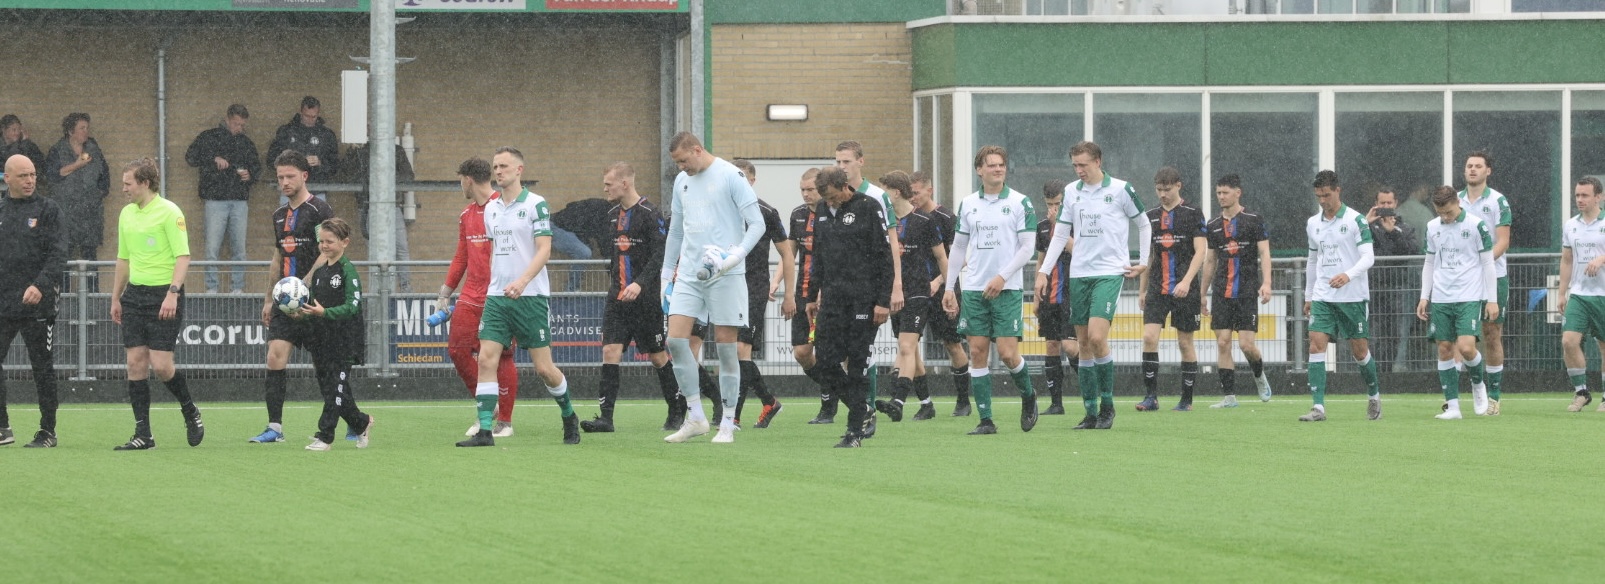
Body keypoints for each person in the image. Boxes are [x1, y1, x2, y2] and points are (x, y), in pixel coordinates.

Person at [457, 147, 580, 447]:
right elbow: (493, 253)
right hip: (497, 298)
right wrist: (491, 286)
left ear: (519, 170)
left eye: (504, 166)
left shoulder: (536, 205)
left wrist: (523, 282)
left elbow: (544, 250)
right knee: (486, 359)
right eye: (496, 167)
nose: (498, 171)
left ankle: (568, 414)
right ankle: (486, 431)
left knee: (544, 369)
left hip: (530, 297)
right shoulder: (492, 209)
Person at [659, 132, 766, 444]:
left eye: (683, 160)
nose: (681, 167)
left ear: (697, 149)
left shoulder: (731, 176)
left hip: (725, 273)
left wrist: (734, 257)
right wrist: (666, 273)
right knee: (675, 341)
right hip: (689, 274)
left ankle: (728, 423)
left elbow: (757, 224)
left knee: (726, 348)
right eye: (677, 163)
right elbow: (676, 230)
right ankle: (695, 417)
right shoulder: (682, 182)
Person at [1037, 141, 1150, 430]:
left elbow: (1144, 223)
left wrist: (1143, 261)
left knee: (1098, 338)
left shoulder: (1121, 189)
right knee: (1083, 343)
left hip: (1109, 273)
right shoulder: (1071, 192)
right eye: (1075, 165)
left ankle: (1107, 406)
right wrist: (1044, 271)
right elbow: (1060, 234)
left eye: (1083, 164)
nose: (1079, 170)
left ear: (1098, 161)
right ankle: (1090, 411)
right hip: (1079, 274)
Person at [943, 145, 1040, 436]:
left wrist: (1002, 277)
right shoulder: (968, 203)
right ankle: (986, 420)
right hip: (974, 289)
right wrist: (950, 287)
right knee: (977, 351)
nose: (998, 169)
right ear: (979, 170)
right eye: (991, 165)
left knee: (1009, 354)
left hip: (1007, 289)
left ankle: (1028, 395)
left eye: (1001, 165)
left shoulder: (1021, 202)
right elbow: (959, 247)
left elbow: (1027, 248)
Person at [580, 161, 684, 434]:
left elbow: (661, 254)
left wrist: (639, 284)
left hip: (646, 301)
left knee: (657, 357)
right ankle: (606, 418)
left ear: (624, 184)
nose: (605, 189)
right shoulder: (611, 215)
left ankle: (677, 409)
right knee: (610, 351)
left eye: (609, 184)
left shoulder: (650, 214)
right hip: (617, 299)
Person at [109, 158, 203, 451]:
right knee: (135, 363)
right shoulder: (126, 214)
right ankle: (143, 435)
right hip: (134, 296)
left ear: (145, 183)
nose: (124, 189)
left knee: (162, 366)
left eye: (128, 183)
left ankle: (189, 409)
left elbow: (183, 256)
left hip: (164, 295)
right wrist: (116, 296)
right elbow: (123, 258)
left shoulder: (170, 212)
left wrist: (173, 293)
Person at [247, 150, 337, 444]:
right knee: (275, 357)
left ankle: (353, 419)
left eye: (290, 176)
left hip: (314, 301)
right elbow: (277, 258)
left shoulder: (320, 210)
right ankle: (274, 427)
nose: (284, 182)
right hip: (284, 303)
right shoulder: (278, 216)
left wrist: (305, 284)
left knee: (324, 367)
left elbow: (328, 251)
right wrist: (268, 299)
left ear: (304, 176)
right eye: (280, 177)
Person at [808, 167, 894, 447]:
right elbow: (818, 255)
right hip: (832, 299)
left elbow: (885, 257)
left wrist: (882, 301)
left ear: (845, 186)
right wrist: (811, 296)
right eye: (826, 199)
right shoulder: (823, 209)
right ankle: (863, 408)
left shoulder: (868, 207)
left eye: (834, 197)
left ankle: (854, 432)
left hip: (863, 299)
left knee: (856, 365)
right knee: (824, 362)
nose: (830, 203)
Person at [441, 157, 519, 439]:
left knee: (502, 356)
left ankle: (504, 422)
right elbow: (461, 256)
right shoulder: (466, 215)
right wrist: (445, 292)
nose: (460, 186)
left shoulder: (505, 208)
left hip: (500, 295)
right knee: (457, 350)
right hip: (471, 295)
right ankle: (488, 404)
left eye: (460, 180)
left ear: (468, 179)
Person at [1299, 170, 1382, 422]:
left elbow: (1368, 257)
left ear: (1338, 190)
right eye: (1318, 196)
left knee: (1359, 352)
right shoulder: (1313, 223)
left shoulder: (1357, 221)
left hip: (1352, 297)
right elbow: (1313, 260)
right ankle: (1318, 407)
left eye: (1326, 195)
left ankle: (1373, 395)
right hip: (1323, 296)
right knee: (1316, 345)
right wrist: (1309, 295)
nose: (1322, 201)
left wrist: (1348, 275)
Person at [0, 154, 65, 448]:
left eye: (33, 175)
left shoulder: (48, 209)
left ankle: (47, 431)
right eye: (23, 175)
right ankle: (3, 428)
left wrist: (40, 285)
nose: (29, 180)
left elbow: (58, 254)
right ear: (7, 179)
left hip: (38, 304)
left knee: (42, 367)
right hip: (4, 303)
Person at [1417, 186, 1498, 420]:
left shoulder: (1476, 225)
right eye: (1440, 213)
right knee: (1444, 348)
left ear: (1457, 203)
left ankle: (1478, 384)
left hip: (1469, 296)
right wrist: (1424, 296)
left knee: (1466, 348)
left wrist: (1492, 299)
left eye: (1449, 212)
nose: (1445, 217)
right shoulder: (1432, 227)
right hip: (1441, 297)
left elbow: (1488, 263)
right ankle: (1453, 407)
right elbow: (1429, 263)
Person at [875, 170, 948, 423]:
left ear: (896, 192)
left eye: (883, 191)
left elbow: (941, 257)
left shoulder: (924, 221)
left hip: (918, 292)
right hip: (895, 294)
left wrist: (949, 289)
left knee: (906, 347)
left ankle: (897, 401)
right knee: (911, 351)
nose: (880, 196)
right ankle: (926, 404)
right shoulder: (885, 222)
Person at [834, 141, 901, 412]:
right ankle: (859, 405)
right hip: (841, 287)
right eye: (838, 162)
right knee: (841, 353)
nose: (842, 167)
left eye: (847, 161)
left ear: (861, 162)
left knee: (862, 347)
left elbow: (892, 242)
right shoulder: (834, 196)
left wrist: (896, 284)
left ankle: (867, 407)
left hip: (869, 287)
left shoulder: (877, 196)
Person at [297, 218, 375, 450]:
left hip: (344, 342)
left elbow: (352, 307)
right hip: (322, 341)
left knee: (335, 390)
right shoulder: (320, 272)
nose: (324, 246)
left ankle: (325, 436)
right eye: (321, 241)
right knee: (332, 390)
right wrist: (302, 314)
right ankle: (361, 422)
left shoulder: (348, 271)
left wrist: (325, 312)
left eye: (329, 241)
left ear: (344, 242)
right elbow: (315, 307)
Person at [727, 159, 793, 429]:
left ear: (752, 181)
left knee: (740, 349)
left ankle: (733, 417)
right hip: (726, 287)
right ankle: (768, 401)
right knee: (731, 352)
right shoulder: (722, 208)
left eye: (743, 177)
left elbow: (787, 253)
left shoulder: (766, 212)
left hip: (753, 288)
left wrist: (789, 295)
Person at [1200, 174, 1274, 409]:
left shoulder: (1253, 220)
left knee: (1246, 345)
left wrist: (1267, 283)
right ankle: (1229, 397)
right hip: (1222, 292)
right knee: (1223, 342)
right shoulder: (1213, 225)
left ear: (1237, 193)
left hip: (1246, 291)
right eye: (1218, 193)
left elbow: (1264, 253)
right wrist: (1202, 294)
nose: (1221, 197)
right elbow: (1210, 260)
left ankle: (1259, 375)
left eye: (1225, 192)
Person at [1137, 166, 1207, 412]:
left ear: (1178, 186)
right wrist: (1142, 290)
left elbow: (1201, 251)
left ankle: (1186, 400)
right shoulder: (1150, 216)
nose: (1163, 195)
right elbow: (1149, 256)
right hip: (1158, 288)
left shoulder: (1192, 213)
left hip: (1185, 289)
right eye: (1159, 190)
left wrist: (1186, 281)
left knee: (1185, 343)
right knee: (1149, 337)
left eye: (1167, 189)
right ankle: (1151, 397)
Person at [910, 171, 973, 416]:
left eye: (916, 192)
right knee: (910, 344)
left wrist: (939, 281)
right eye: (909, 193)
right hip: (916, 290)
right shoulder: (910, 218)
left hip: (945, 290)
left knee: (952, 343)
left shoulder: (947, 218)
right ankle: (925, 404)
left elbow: (962, 258)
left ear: (930, 190)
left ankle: (963, 401)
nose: (912, 198)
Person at [185, 104, 260, 294]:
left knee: (239, 248)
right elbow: (190, 157)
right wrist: (213, 158)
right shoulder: (209, 137)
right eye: (236, 124)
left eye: (242, 125)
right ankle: (212, 288)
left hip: (239, 200)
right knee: (212, 248)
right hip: (215, 199)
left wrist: (250, 175)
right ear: (227, 119)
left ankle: (237, 287)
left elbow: (257, 168)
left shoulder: (246, 143)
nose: (239, 128)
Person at [1458, 151, 1511, 414]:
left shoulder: (1498, 201)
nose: (1473, 169)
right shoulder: (1455, 200)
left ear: (1488, 171)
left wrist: (1484, 263)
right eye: (1469, 166)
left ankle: (1495, 395)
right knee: (1460, 335)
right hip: (1463, 279)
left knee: (1491, 333)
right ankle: (1456, 396)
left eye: (1478, 166)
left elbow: (1503, 241)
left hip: (1493, 276)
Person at [789, 168, 837, 424]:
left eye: (810, 189)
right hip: (803, 292)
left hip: (829, 293)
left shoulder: (833, 214)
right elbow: (789, 255)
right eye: (802, 190)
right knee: (802, 353)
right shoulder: (797, 215)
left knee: (829, 353)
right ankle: (837, 389)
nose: (806, 194)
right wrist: (780, 285)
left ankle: (829, 405)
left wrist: (824, 291)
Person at [44, 112, 109, 293]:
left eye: (87, 128)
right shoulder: (58, 150)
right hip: (66, 212)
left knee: (90, 256)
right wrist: (77, 165)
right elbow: (51, 176)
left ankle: (93, 296)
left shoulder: (94, 149)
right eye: (82, 128)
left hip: (90, 212)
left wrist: (98, 194)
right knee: (65, 255)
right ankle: (64, 296)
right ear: (70, 131)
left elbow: (105, 176)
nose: (86, 131)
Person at [1560, 177, 1605, 413]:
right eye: (1577, 195)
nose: (1579, 199)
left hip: (1603, 294)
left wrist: (1601, 258)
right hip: (1579, 294)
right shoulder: (1571, 225)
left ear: (1599, 197)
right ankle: (1581, 392)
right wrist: (1561, 293)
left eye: (1585, 195)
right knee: (1569, 341)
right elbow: (1567, 260)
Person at [1366, 188, 1420, 373]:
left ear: (1396, 204)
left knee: (1395, 334)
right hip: (1372, 288)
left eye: (1389, 203)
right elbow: (1351, 243)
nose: (1386, 207)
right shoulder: (1367, 227)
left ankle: (1388, 373)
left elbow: (1411, 251)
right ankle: (1373, 372)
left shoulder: (1404, 228)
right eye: (1382, 203)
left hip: (1396, 288)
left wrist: (1393, 232)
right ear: (1376, 204)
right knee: (1373, 334)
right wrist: (1365, 224)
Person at [1034, 179, 1076, 416]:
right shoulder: (1041, 227)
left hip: (1071, 293)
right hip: (1049, 295)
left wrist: (1058, 225)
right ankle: (1056, 403)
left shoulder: (1075, 224)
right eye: (1050, 204)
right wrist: (1036, 297)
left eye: (1058, 204)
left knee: (1071, 347)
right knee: (1051, 345)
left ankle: (1092, 392)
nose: (1053, 209)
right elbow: (1041, 261)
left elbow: (1077, 251)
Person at [265, 96, 339, 205]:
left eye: (313, 116)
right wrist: (294, 162)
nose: (310, 119)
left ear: (318, 114)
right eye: (307, 116)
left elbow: (335, 166)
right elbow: (271, 161)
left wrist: (320, 163)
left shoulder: (326, 135)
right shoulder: (286, 131)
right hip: (290, 191)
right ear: (301, 112)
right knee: (290, 217)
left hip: (317, 190)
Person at [550, 198, 611, 292]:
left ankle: (572, 288)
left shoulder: (602, 208)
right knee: (584, 253)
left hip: (565, 225)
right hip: (555, 226)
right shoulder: (603, 213)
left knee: (586, 251)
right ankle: (571, 290)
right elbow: (603, 243)